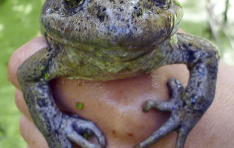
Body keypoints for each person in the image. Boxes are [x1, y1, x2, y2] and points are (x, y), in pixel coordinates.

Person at [8, 36, 234, 148]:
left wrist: (190, 109)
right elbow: (30, 75)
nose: (120, 21)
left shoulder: (166, 41)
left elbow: (205, 54)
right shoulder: (57, 51)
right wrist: (55, 124)